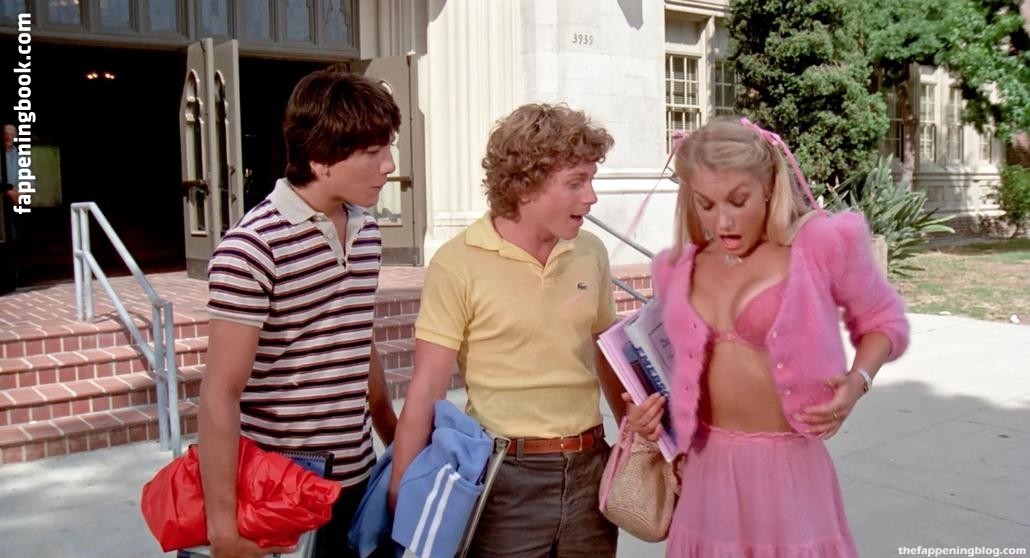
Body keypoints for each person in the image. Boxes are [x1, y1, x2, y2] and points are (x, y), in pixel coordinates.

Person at [624, 117, 909, 557]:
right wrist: (648, 418)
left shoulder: (818, 246)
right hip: (706, 470)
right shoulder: (676, 269)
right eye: (706, 204)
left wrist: (859, 381)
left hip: (788, 469)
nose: (723, 220)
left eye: (738, 200)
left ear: (769, 188)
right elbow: (673, 372)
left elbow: (883, 321)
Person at [388, 103, 625, 557]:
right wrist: (401, 493)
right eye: (576, 182)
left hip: (590, 470)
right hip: (503, 479)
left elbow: (608, 353)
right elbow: (426, 388)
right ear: (526, 185)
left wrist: (637, 441)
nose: (591, 197)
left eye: (591, 180)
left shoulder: (590, 251)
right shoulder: (457, 263)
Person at [198, 69, 401, 558]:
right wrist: (222, 526)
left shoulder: (367, 232)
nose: (389, 166)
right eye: (373, 152)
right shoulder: (252, 247)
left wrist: (396, 441)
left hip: (359, 479)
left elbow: (356, 338)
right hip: (280, 488)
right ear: (320, 158)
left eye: (388, 148)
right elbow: (219, 394)